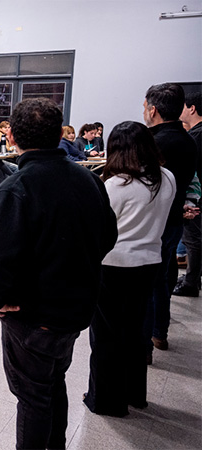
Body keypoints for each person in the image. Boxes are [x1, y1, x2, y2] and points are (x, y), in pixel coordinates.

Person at [0, 98, 118, 450]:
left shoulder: (17, 188)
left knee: (33, 396)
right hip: (76, 307)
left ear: (12, 136)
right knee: (53, 382)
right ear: (59, 134)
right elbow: (108, 237)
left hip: (33, 314)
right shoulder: (89, 179)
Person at [83, 121, 175, 418]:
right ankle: (135, 394)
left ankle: (105, 400)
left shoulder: (116, 185)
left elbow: (99, 229)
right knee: (136, 332)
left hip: (114, 265)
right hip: (149, 262)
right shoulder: (167, 178)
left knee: (106, 336)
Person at [142, 83, 197, 356]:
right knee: (164, 274)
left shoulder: (154, 143)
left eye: (144, 107)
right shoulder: (188, 140)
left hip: (152, 220)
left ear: (153, 110)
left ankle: (146, 339)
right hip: (175, 217)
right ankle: (159, 332)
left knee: (149, 279)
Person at [174, 92, 202, 297]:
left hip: (194, 197)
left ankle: (191, 281)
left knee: (192, 238)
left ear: (192, 108)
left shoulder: (195, 137)